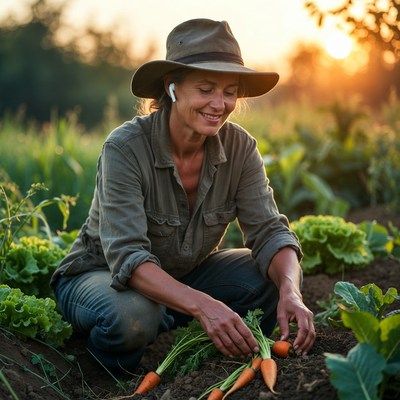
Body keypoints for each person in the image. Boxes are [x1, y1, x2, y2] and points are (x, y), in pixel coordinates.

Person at [51, 18, 315, 374]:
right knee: (133, 316)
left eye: (229, 91)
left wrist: (290, 290)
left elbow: (270, 231)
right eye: (206, 89)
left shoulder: (240, 148)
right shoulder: (126, 148)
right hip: (102, 277)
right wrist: (203, 305)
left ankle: (221, 362)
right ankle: (108, 379)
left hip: (184, 278)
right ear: (171, 87)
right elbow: (128, 258)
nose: (219, 104)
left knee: (266, 276)